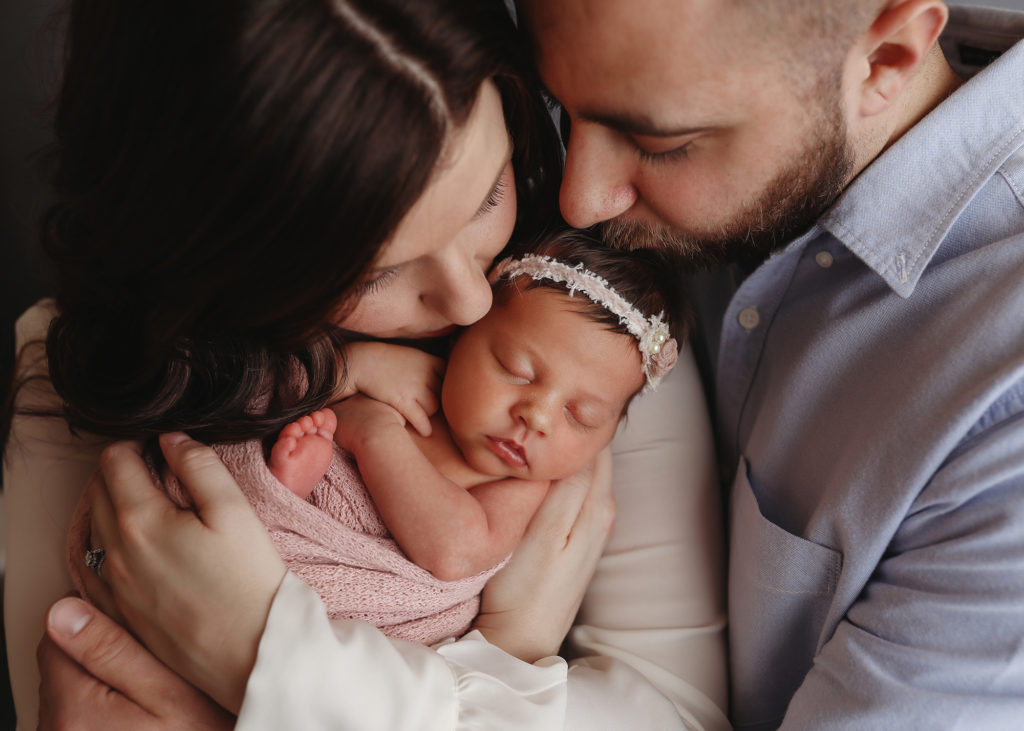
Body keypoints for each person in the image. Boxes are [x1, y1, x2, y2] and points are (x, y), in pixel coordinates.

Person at [4, 0, 728, 729]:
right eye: (379, 273)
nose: (472, 299)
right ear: (222, 257)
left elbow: (682, 714)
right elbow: (88, 658)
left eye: (487, 195)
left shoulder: (586, 330)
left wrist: (275, 665)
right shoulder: (71, 372)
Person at [514, 0, 1024, 727]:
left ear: (888, 60)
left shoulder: (1006, 419)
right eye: (564, 110)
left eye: (660, 144)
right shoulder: (734, 71)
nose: (582, 198)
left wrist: (493, 670)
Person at [68, 230, 689, 649]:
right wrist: (353, 371)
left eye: (583, 416)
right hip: (231, 537)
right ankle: (282, 501)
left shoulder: (518, 485)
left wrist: (369, 429)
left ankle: (281, 509)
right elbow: (255, 393)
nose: (538, 416)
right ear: (461, 333)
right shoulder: (392, 362)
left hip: (344, 613)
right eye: (517, 371)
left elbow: (454, 552)